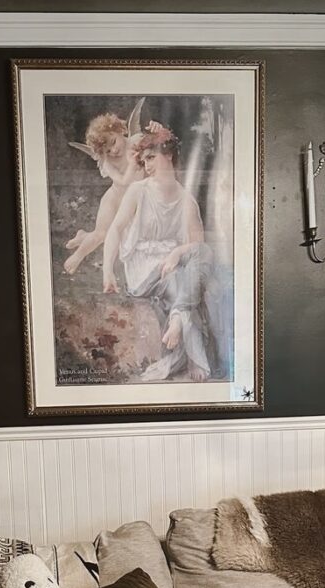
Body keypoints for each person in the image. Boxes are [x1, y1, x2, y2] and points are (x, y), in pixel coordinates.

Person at [101, 125, 216, 383]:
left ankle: (177, 318)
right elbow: (116, 228)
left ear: (169, 155)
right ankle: (192, 354)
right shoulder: (139, 190)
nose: (147, 165)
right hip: (143, 269)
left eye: (151, 157)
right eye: (143, 161)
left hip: (170, 264)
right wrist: (107, 271)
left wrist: (176, 253)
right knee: (179, 279)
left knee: (201, 254)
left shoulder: (187, 200)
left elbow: (198, 247)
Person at [63, 103, 149, 275]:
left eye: (113, 142)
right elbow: (123, 182)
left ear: (118, 130)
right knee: (101, 234)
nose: (114, 150)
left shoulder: (136, 142)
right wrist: (132, 165)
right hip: (115, 198)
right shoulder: (107, 163)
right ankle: (78, 256)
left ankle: (82, 236)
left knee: (133, 237)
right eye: (107, 150)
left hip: (135, 200)